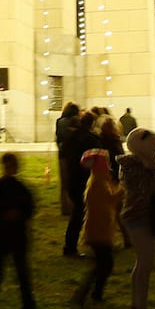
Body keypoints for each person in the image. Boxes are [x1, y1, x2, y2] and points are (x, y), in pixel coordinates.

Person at [117, 127, 155, 309]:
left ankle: (137, 306)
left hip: (141, 217)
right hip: (138, 217)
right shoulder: (136, 168)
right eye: (154, 145)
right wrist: (153, 172)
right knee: (145, 263)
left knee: (143, 263)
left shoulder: (139, 166)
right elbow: (145, 191)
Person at [0, 152, 37, 309]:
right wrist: (10, 214)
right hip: (5, 233)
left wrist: (14, 214)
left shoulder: (16, 188)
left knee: (20, 271)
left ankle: (27, 304)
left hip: (11, 233)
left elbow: (29, 209)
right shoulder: (4, 188)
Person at [73, 149, 122, 307]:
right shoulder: (98, 182)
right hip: (98, 230)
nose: (108, 165)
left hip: (99, 229)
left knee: (101, 264)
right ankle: (89, 294)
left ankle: (91, 294)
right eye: (106, 162)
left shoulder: (99, 180)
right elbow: (111, 199)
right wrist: (123, 188)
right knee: (104, 265)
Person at [60, 110, 100, 258]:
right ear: (92, 123)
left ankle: (72, 245)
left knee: (78, 213)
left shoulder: (71, 138)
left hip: (73, 179)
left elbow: (64, 155)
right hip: (86, 180)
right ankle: (73, 247)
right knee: (84, 215)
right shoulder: (91, 138)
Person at [54, 102, 82, 216]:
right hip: (73, 154)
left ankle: (64, 208)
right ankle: (73, 206)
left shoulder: (59, 121)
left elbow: (57, 137)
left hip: (62, 153)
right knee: (73, 180)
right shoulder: (76, 121)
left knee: (64, 182)